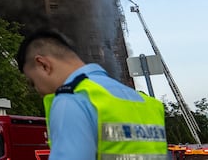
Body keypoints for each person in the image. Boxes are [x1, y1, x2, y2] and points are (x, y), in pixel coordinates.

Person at [16, 29, 167, 159]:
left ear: (43, 65)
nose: (38, 90)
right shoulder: (148, 103)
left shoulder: (72, 100)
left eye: (32, 82)